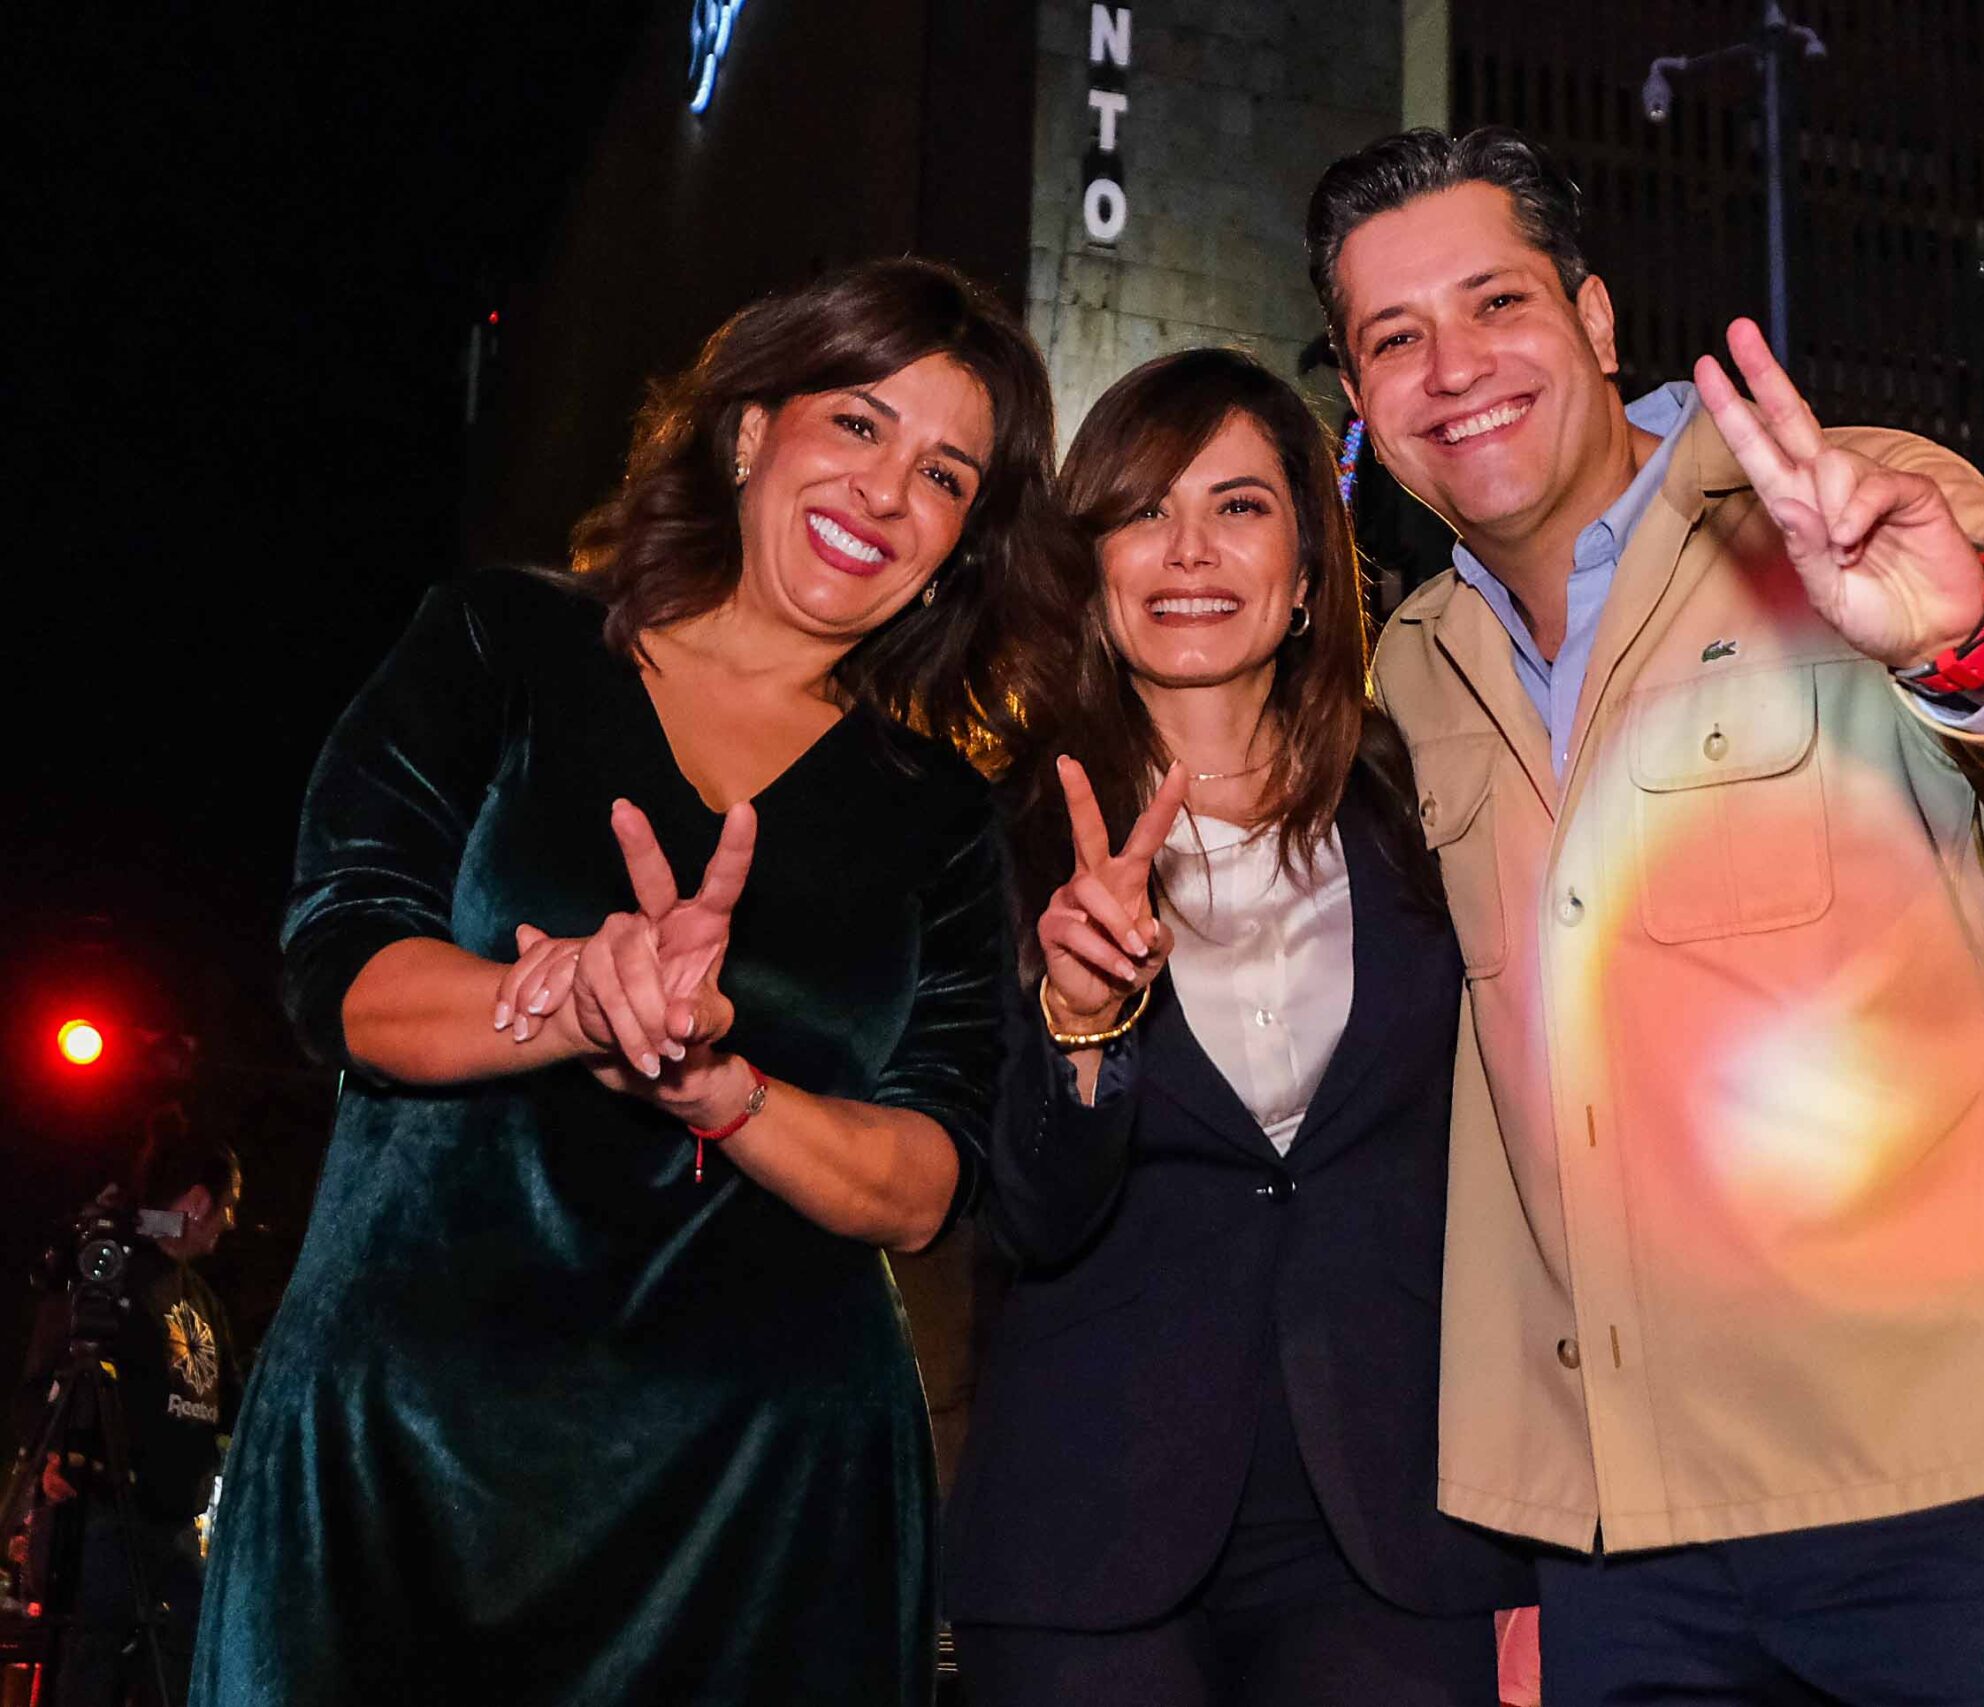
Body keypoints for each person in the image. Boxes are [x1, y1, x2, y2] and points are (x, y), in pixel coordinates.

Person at [1304, 126, 1984, 1705]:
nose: (1452, 365)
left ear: (1596, 319)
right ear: (1362, 398)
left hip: (1942, 1488)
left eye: (1496, 302)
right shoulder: (1411, 668)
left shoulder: (1846, 503)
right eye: (1394, 337)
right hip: (1618, 1538)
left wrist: (1964, 633)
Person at [191, 260, 1064, 1707]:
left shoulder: (944, 822)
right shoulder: (500, 642)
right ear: (750, 431)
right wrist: (572, 1001)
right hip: (406, 1453)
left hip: (762, 1502)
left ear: (962, 541)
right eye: (857, 423)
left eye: (943, 474)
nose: (885, 490)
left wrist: (726, 1089)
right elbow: (342, 972)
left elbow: (928, 1180)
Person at [942, 348, 1532, 1703]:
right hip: (1091, 1533)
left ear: (1309, 567)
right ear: (1090, 564)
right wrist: (1082, 1023)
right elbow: (1026, 1216)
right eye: (1144, 509)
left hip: (1396, 1525)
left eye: (1240, 506)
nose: (1190, 550)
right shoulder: (999, 838)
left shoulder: (1424, 805)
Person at [12, 1115, 242, 1706]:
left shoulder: (204, 1300)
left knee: (192, 1657)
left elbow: (231, 1406)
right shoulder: (109, 1276)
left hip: (171, 1529)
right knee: (88, 1673)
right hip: (101, 1521)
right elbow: (42, 1382)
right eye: (228, 1205)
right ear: (198, 1201)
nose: (230, 1222)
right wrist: (50, 1453)